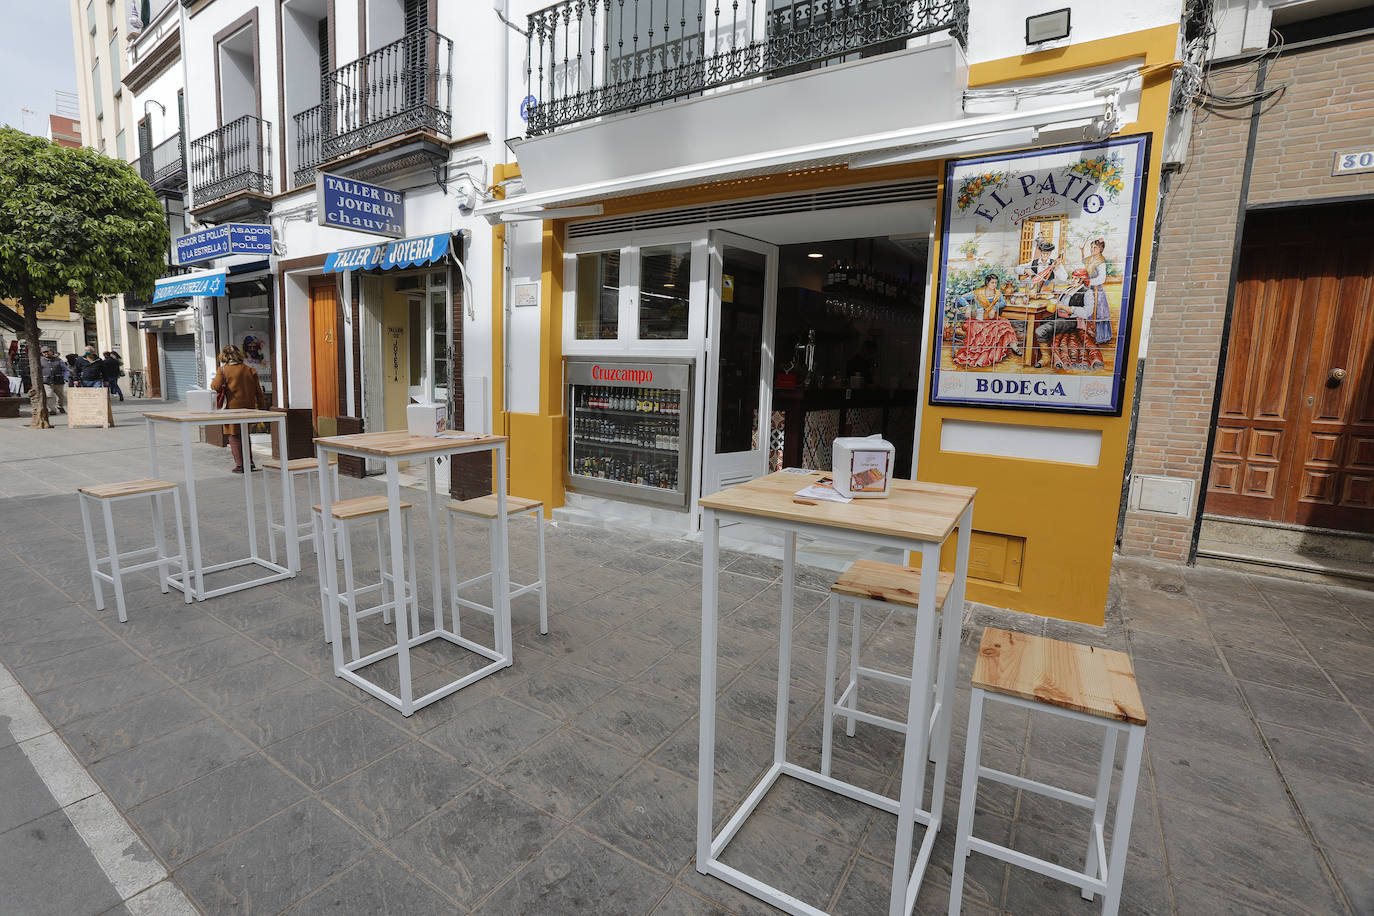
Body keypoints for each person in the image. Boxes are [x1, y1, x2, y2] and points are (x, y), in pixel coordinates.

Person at [1033, 269, 1105, 370]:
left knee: (1041, 330)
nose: (1072, 280)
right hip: (1059, 316)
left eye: (1075, 278)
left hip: (1072, 320)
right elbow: (1059, 302)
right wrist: (1046, 304)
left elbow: (1087, 312)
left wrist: (1067, 308)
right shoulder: (1068, 289)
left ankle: (1046, 358)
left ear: (1081, 280)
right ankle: (1040, 354)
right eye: (1072, 277)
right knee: (1036, 322)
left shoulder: (1086, 292)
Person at [210, 345, 266, 473]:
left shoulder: (223, 370)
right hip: (248, 409)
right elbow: (258, 392)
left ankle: (240, 465)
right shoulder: (249, 370)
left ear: (224, 356)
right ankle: (250, 462)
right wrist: (262, 410)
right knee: (245, 435)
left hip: (231, 409)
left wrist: (216, 379)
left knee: (234, 436)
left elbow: (215, 386)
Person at [950, 274, 1022, 368]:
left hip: (992, 318)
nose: (994, 285)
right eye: (992, 282)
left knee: (1004, 323)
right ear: (987, 283)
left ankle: (1014, 347)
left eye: (995, 283)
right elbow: (960, 297)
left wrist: (995, 307)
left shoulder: (997, 293)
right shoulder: (979, 292)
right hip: (979, 319)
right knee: (983, 328)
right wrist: (967, 306)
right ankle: (982, 355)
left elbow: (1003, 302)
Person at [1081, 237, 1113, 343]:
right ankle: (1087, 335)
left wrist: (1090, 282)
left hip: (1096, 290)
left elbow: (1102, 278)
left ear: (1100, 249)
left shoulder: (1101, 261)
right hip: (1088, 288)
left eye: (1095, 247)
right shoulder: (1090, 259)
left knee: (1098, 311)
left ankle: (1100, 336)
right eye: (1091, 247)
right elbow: (1084, 264)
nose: (1092, 249)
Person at [39, 346, 69, 413]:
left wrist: (65, 377)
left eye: (47, 351)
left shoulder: (58, 360)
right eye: (44, 352)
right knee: (49, 395)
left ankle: (60, 406)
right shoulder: (40, 361)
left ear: (51, 351)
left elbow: (66, 370)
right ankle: (52, 409)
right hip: (47, 381)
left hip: (59, 381)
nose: (46, 353)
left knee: (61, 396)